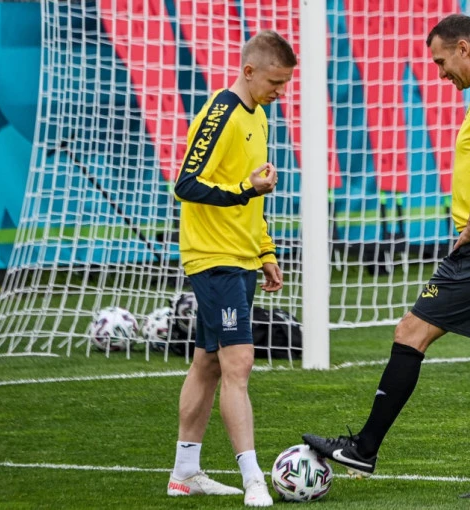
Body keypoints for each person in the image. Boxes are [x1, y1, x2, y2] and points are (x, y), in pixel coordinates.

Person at [303, 14, 470, 501]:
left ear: (464, 48)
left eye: (442, 62)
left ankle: (364, 448)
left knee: (410, 332)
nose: (441, 74)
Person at [167, 30, 296, 508]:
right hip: (213, 257)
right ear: (248, 71)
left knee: (207, 362)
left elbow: (252, 194)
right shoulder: (219, 113)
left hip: (241, 257)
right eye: (275, 82)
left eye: (285, 83)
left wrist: (266, 252)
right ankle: (253, 479)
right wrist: (245, 189)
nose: (280, 91)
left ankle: (184, 473)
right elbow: (186, 183)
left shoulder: (259, 116)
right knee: (238, 363)